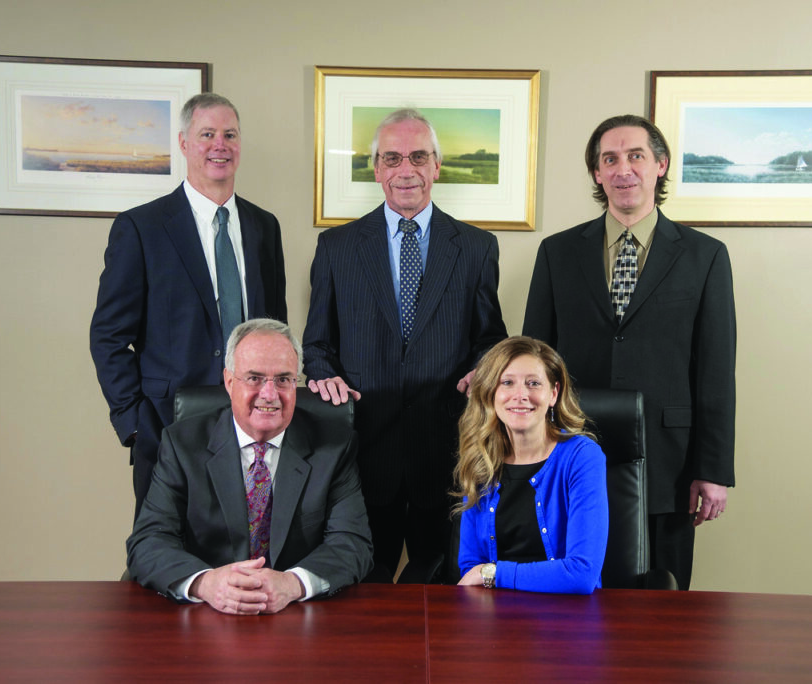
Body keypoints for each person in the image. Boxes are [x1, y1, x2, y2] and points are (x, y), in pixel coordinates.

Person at [522, 114, 736, 590]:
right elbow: (534, 362)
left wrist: (713, 470)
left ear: (659, 165)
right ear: (597, 174)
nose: (623, 169)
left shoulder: (705, 256)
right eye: (609, 159)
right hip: (570, 449)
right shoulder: (557, 253)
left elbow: (716, 372)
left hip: (669, 461)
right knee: (571, 594)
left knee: (664, 603)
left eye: (635, 156)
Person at [303, 108, 507, 580]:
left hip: (448, 454)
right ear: (377, 169)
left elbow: (490, 339)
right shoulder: (337, 247)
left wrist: (485, 368)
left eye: (418, 157)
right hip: (364, 457)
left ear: (436, 166)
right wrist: (322, 372)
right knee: (360, 595)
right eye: (392, 158)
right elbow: (315, 345)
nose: (406, 170)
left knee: (445, 595)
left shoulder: (476, 247)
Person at [90, 93, 287, 519]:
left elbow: (277, 332)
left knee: (248, 552)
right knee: (164, 558)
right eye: (207, 134)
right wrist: (135, 424)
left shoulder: (264, 227)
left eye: (230, 134)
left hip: (254, 426)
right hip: (166, 427)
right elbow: (108, 336)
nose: (220, 145)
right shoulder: (141, 228)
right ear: (183, 143)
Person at [126, 319, 373, 615]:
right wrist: (206, 583)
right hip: (209, 616)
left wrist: (292, 583)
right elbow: (148, 540)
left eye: (283, 380)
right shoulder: (182, 445)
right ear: (230, 382)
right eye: (254, 378)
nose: (269, 394)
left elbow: (352, 543)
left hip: (298, 618)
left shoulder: (333, 447)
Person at [455, 336, 608, 594]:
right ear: (492, 393)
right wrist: (485, 575)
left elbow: (581, 573)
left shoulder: (582, 457)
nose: (520, 395)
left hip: (569, 617)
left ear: (553, 393)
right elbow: (471, 566)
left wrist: (493, 573)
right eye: (507, 383)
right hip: (494, 616)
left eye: (533, 383)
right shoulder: (481, 457)